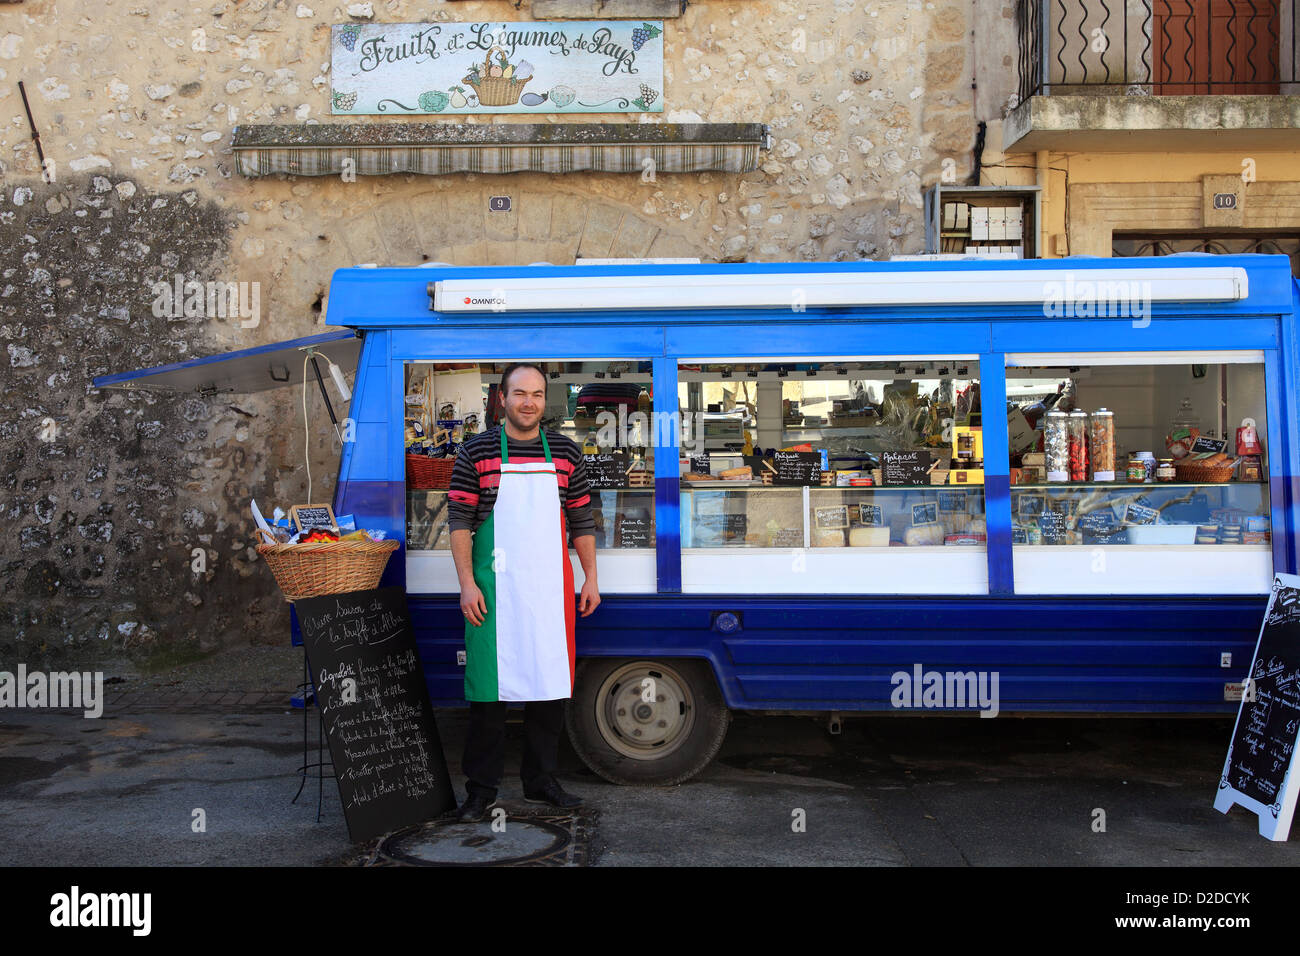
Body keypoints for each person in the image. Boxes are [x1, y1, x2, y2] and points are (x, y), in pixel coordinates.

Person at [447, 362, 601, 822]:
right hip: (493, 592)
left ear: (544, 401)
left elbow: (581, 519)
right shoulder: (474, 452)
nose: (528, 402)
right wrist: (467, 585)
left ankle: (540, 782)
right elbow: (459, 522)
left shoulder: (567, 453)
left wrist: (590, 576)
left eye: (536, 394)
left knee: (548, 690)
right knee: (488, 698)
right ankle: (480, 792)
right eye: (519, 394)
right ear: (501, 398)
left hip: (551, 592)